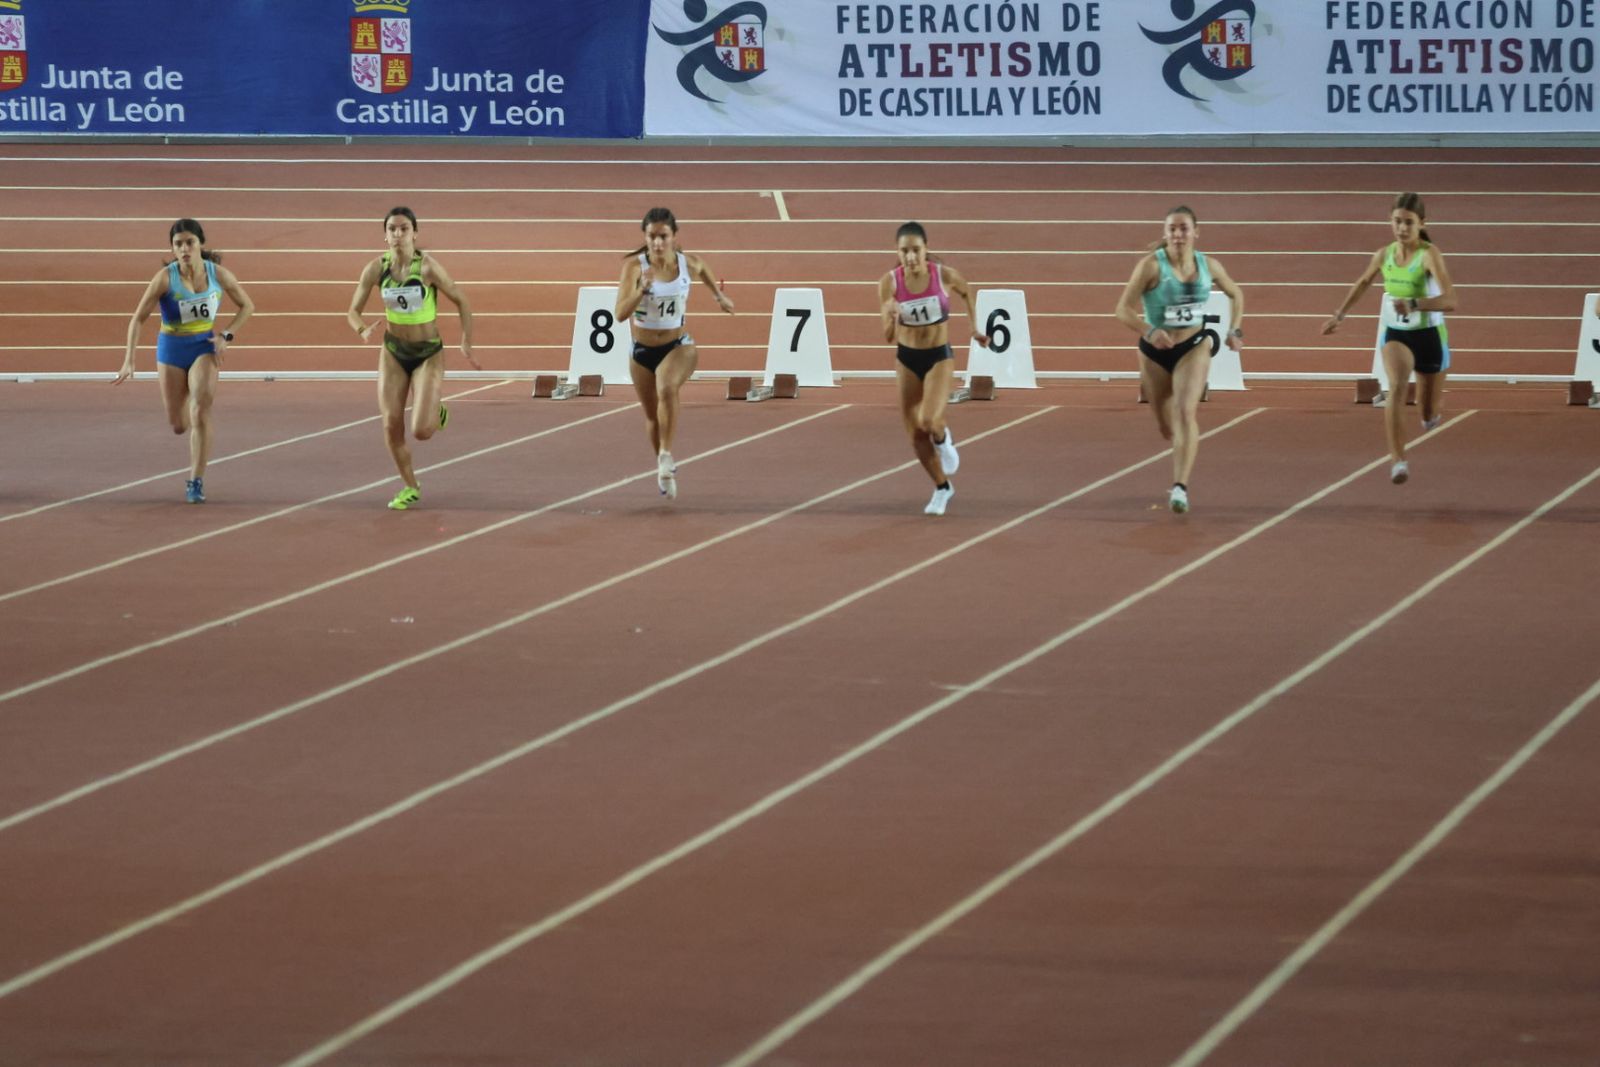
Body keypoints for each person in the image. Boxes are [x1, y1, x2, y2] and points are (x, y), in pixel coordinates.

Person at [346, 206, 479, 510]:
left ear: (415, 234)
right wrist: (361, 329)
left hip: (427, 353)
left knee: (421, 430)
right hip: (393, 351)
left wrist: (466, 342)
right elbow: (352, 310)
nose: (397, 234)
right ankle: (410, 485)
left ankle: (436, 411)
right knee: (390, 424)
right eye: (392, 229)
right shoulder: (375, 270)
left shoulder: (429, 268)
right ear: (385, 236)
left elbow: (462, 301)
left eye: (404, 229)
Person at [1114, 205, 1244, 514]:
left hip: (1194, 346)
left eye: (1184, 228)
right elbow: (1122, 310)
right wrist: (1149, 331)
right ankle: (1177, 442)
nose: (1178, 234)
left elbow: (1236, 293)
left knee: (1186, 413)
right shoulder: (1150, 267)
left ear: (1196, 232)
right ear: (1165, 233)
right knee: (1165, 425)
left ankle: (1180, 487)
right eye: (1172, 228)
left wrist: (1234, 329)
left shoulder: (1209, 266)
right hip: (1155, 353)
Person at [115, 219, 255, 503]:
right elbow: (138, 318)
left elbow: (247, 305)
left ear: (200, 244)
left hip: (203, 346)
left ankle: (195, 480)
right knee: (178, 424)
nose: (184, 248)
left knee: (201, 410)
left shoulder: (219, 275)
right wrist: (129, 359)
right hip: (171, 349)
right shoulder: (165, 278)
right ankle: (189, 397)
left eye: (190, 242)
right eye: (178, 244)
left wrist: (225, 335)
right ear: (173, 248)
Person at [1321, 192, 1457, 484]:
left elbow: (1451, 299)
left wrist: (1415, 304)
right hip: (1397, 334)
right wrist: (1339, 315)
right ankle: (1398, 460)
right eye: (1397, 221)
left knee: (1428, 412)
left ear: (1422, 223)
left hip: (1430, 336)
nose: (1402, 228)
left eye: (1408, 222)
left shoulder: (1429, 254)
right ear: (1390, 222)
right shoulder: (1384, 255)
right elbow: (1363, 282)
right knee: (1395, 387)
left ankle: (1429, 415)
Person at [615, 207, 733, 500]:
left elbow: (703, 269)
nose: (657, 243)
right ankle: (662, 466)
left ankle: (667, 454)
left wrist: (718, 296)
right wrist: (640, 291)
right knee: (653, 416)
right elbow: (619, 314)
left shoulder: (686, 263)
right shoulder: (634, 268)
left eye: (663, 236)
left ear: (674, 236)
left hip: (678, 346)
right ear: (645, 237)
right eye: (652, 237)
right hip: (640, 351)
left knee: (667, 387)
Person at [879, 221, 988, 517]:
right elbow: (887, 336)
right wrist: (893, 316)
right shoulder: (888, 283)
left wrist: (974, 328)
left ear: (926, 250)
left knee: (929, 419)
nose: (911, 257)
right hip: (906, 359)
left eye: (916, 250)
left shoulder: (944, 276)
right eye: (905, 251)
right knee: (915, 434)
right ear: (897, 252)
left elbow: (967, 293)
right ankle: (942, 488)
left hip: (938, 356)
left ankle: (943, 438)